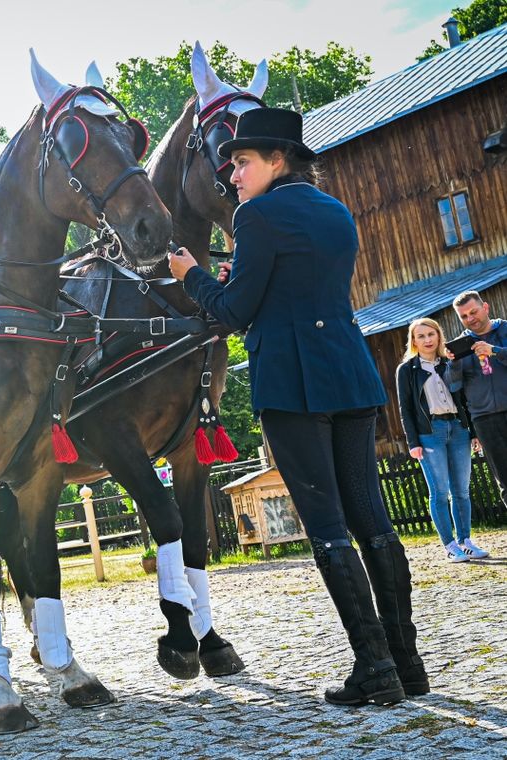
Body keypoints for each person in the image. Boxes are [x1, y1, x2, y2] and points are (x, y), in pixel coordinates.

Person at [168, 107, 424, 705]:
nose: (233, 175)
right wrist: (244, 277)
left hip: (293, 385)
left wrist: (192, 276)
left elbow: (234, 313)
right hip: (351, 375)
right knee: (374, 524)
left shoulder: (254, 215)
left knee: (330, 529)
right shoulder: (335, 210)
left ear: (277, 161)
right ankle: (407, 664)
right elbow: (300, 284)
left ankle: (374, 670)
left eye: (243, 162)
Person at [397, 318, 484, 562]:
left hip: (458, 428)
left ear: (438, 336)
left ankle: (465, 541)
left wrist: (473, 431)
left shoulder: (449, 363)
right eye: (421, 336)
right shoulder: (407, 370)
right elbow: (406, 409)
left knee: (462, 491)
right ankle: (449, 545)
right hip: (429, 433)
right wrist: (413, 442)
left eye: (431, 334)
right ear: (413, 341)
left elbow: (464, 397)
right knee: (439, 492)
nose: (427, 340)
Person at [442, 290, 502, 560]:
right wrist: (453, 364)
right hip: (484, 418)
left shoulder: (504, 331)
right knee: (504, 479)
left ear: (485, 307)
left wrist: (496, 352)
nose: (470, 318)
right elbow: (454, 385)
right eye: (464, 316)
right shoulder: (460, 346)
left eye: (473, 312)